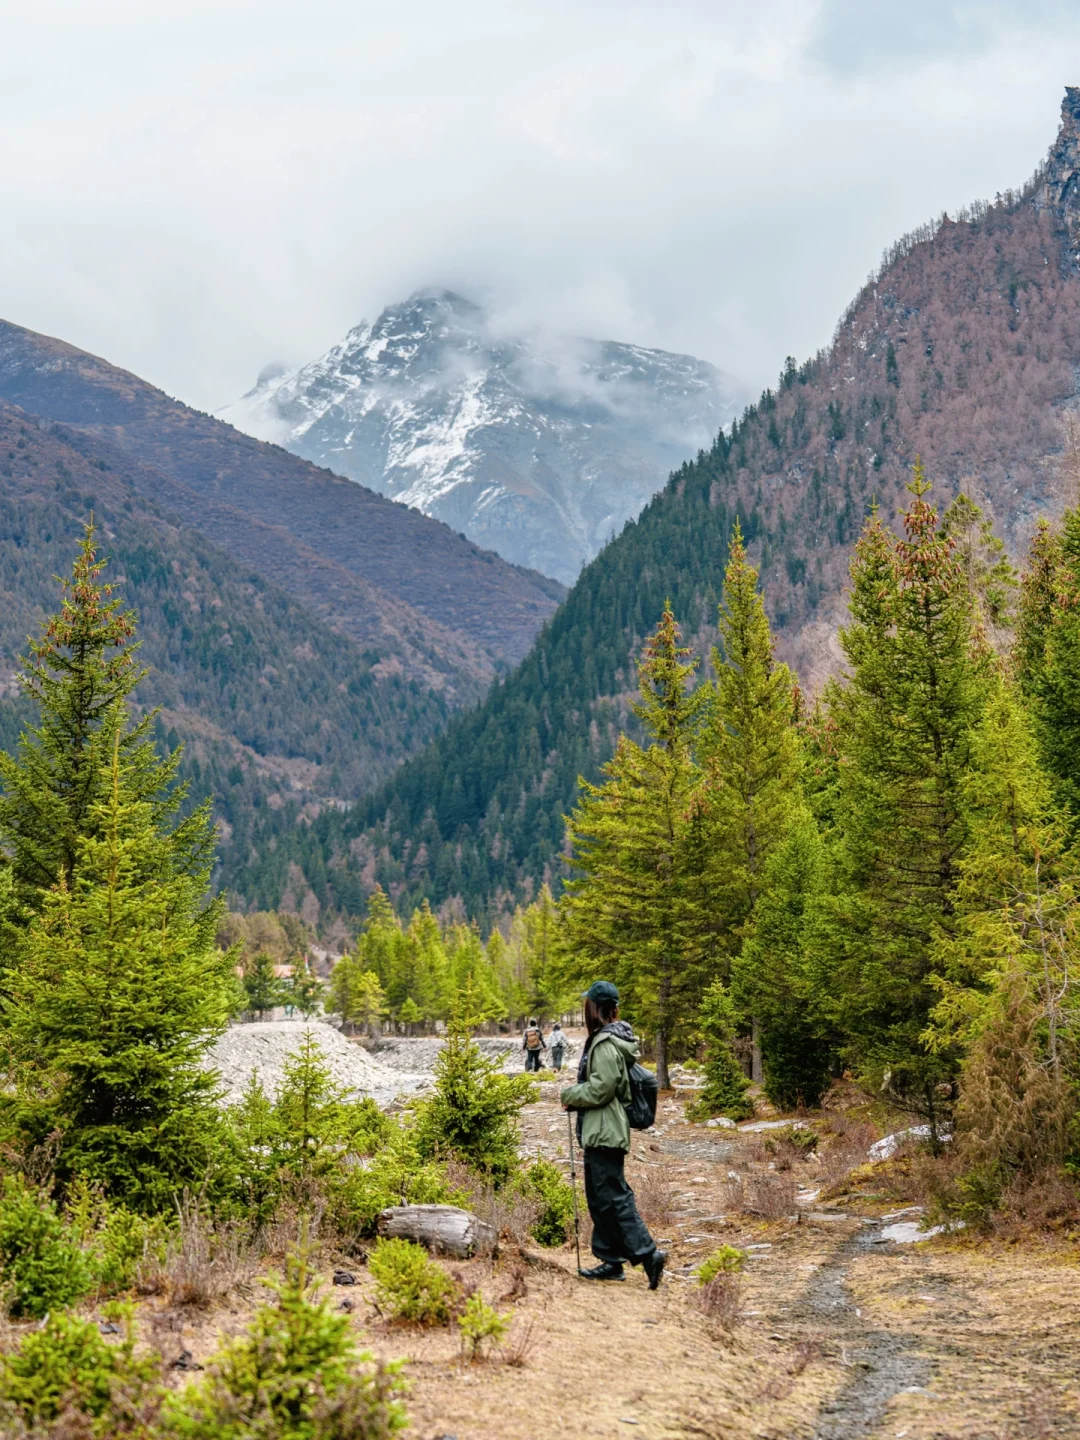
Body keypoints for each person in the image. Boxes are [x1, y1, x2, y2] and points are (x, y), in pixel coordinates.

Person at [560, 981, 666, 1289]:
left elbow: (602, 1088)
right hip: (601, 1130)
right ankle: (611, 1261)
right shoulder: (604, 1040)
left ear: (594, 1008)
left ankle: (649, 1255)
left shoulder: (605, 1044)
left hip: (606, 1130)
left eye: (587, 1004)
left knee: (614, 1197)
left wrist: (571, 1094)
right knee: (600, 1198)